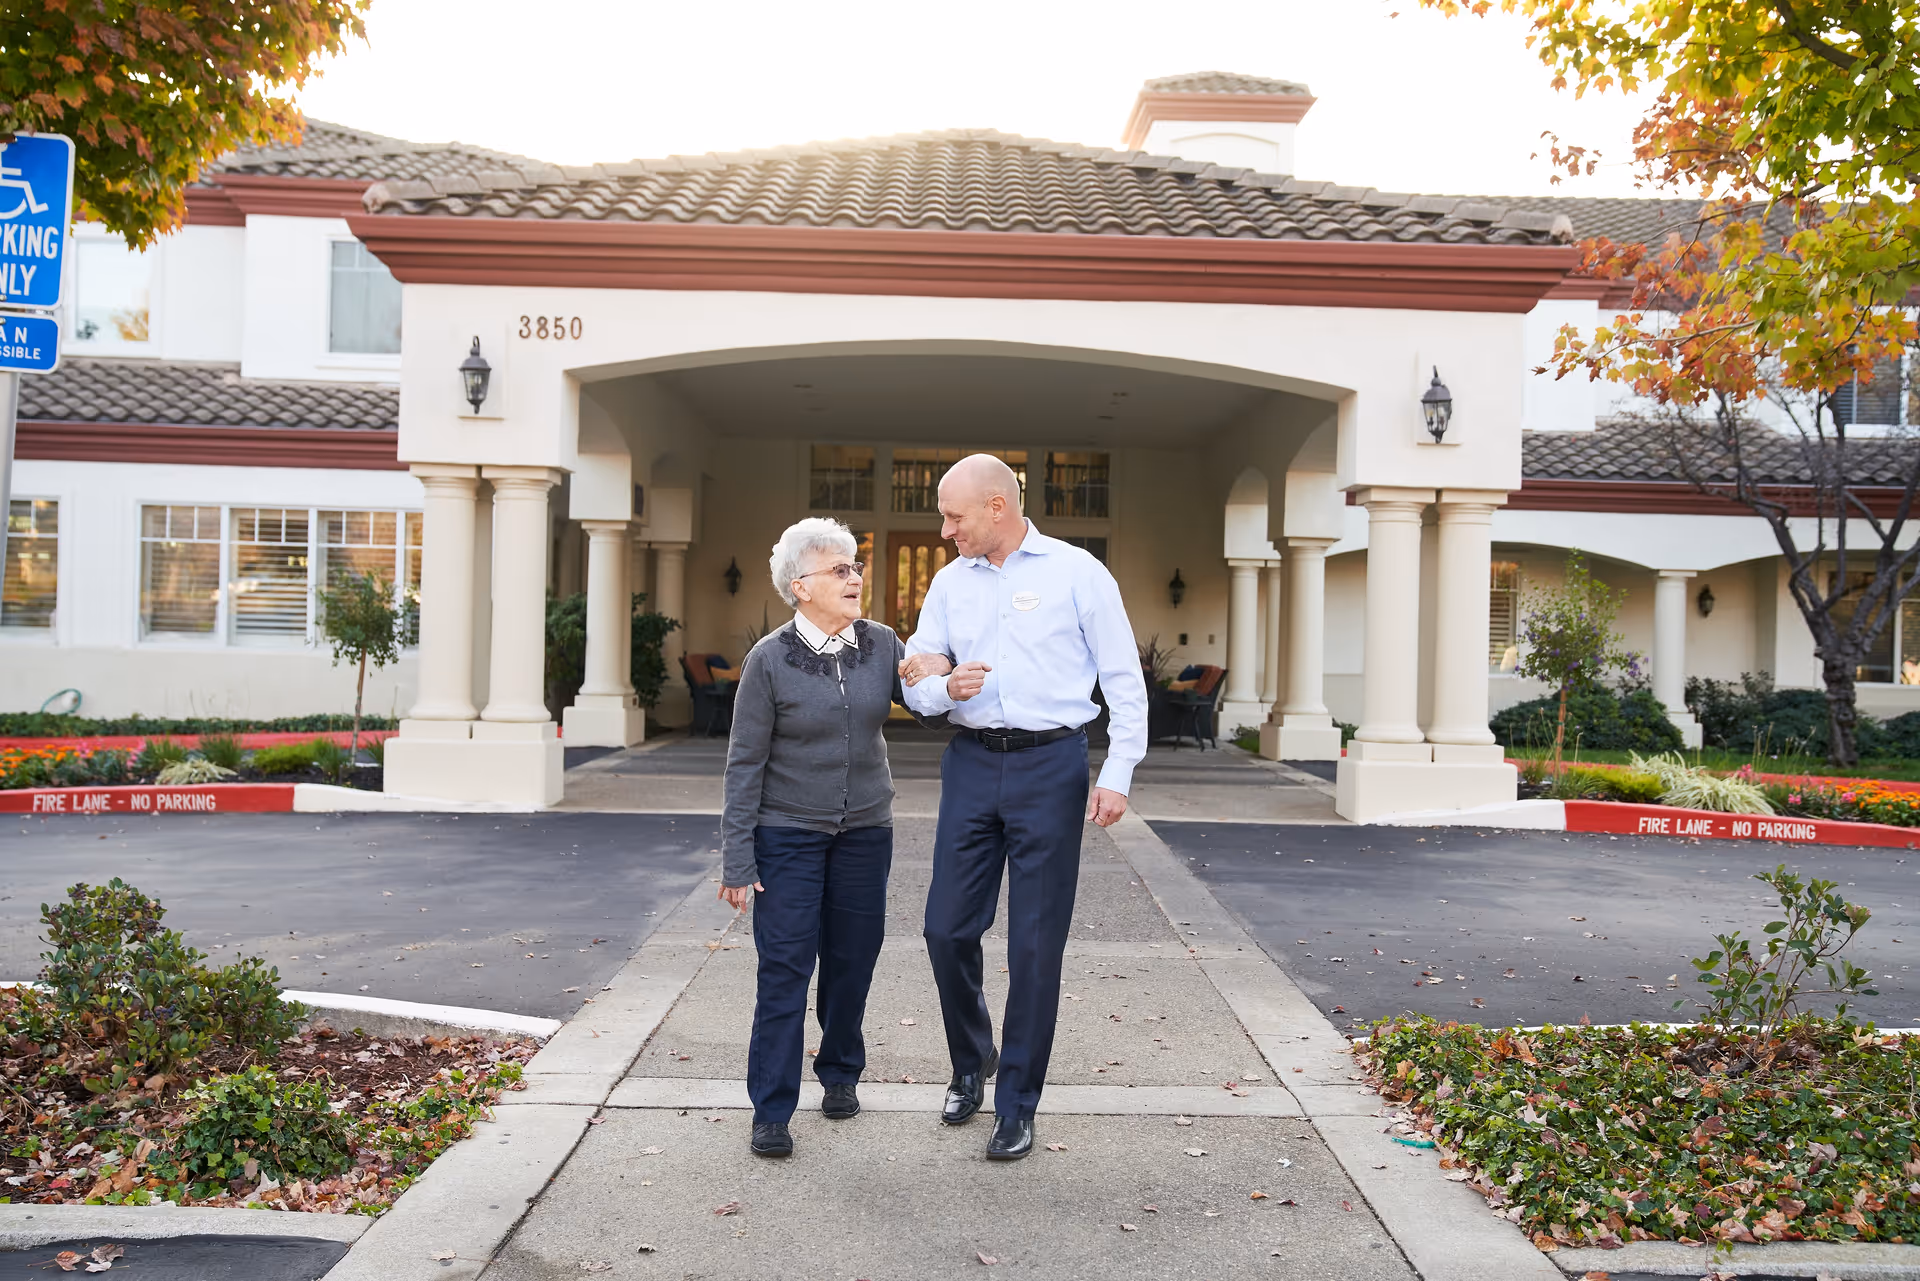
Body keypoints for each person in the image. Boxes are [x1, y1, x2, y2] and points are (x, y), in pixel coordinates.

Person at [898, 454, 1148, 1160]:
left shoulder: (1077, 573)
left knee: (1035, 947)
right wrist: (946, 690)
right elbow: (917, 675)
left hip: (1052, 767)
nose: (945, 530)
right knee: (946, 929)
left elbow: (1124, 681)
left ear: (998, 507)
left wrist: (1118, 770)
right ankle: (972, 1056)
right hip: (972, 764)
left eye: (955, 516)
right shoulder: (948, 584)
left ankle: (1017, 1102)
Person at [720, 518, 949, 1158]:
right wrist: (738, 859)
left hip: (865, 832)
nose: (855, 578)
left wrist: (945, 681)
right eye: (839, 570)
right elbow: (744, 763)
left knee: (853, 960)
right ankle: (771, 1108)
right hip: (787, 832)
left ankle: (841, 1069)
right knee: (786, 968)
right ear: (801, 587)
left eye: (854, 567)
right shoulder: (768, 660)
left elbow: (924, 703)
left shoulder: (880, 643)